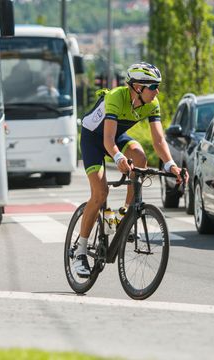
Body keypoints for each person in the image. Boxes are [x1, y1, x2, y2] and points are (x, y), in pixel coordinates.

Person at [73, 62, 185, 278]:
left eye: (157, 86)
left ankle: (124, 216)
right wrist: (118, 158)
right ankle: (80, 252)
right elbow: (106, 139)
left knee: (140, 158)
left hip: (115, 136)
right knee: (100, 193)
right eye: (153, 86)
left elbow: (159, 139)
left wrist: (171, 164)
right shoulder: (116, 96)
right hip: (93, 139)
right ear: (137, 87)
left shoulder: (152, 104)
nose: (157, 91)